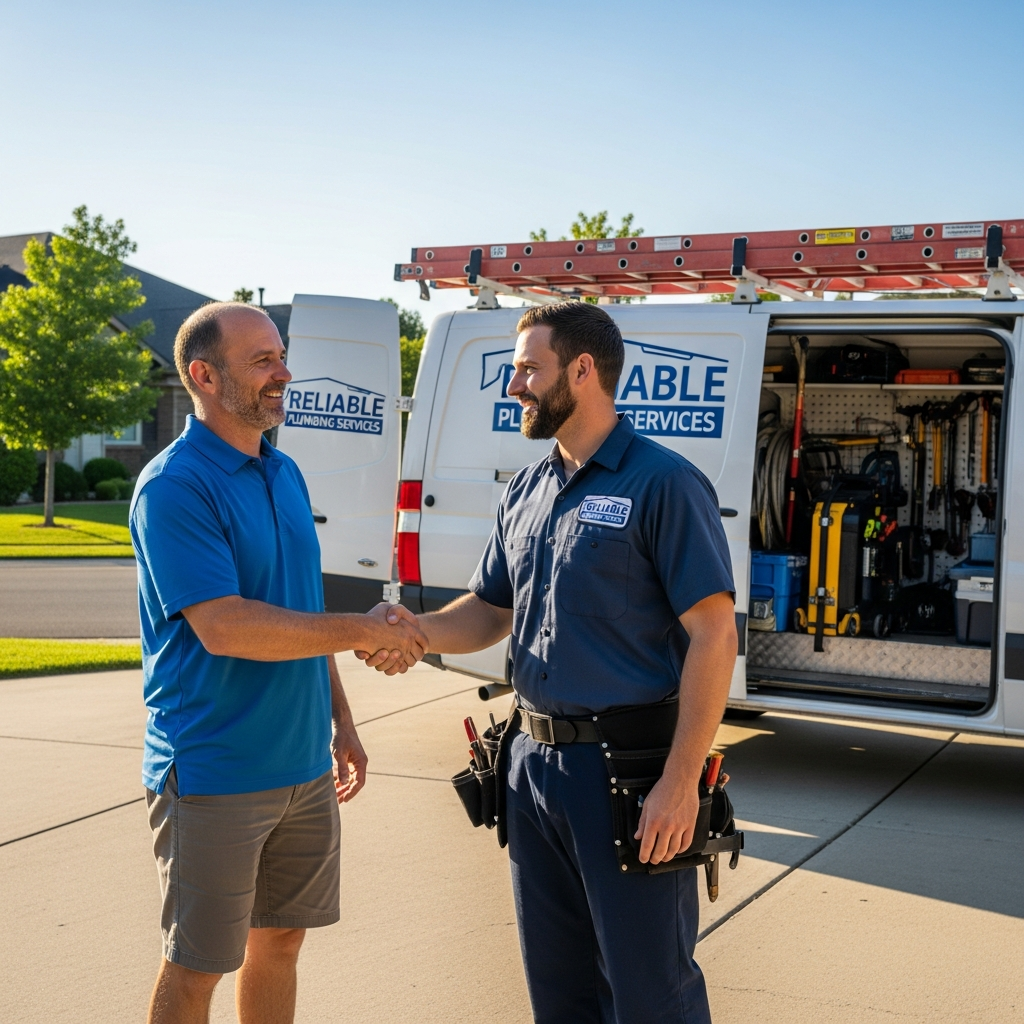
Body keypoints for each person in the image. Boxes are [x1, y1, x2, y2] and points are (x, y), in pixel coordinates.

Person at [363, 301, 737, 1023]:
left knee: (650, 992)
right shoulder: (527, 490)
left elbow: (714, 636)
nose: (515, 386)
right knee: (559, 992)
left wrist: (681, 781)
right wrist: (412, 634)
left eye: (528, 369)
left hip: (625, 775)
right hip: (531, 767)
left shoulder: (663, 484)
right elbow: (489, 611)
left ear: (583, 369)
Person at [131, 301, 425, 1024]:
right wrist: (362, 628)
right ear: (204, 376)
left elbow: (296, 608)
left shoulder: (283, 471)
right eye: (262, 360)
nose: (284, 373)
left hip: (301, 766)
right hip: (216, 768)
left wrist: (343, 722)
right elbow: (227, 626)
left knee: (283, 942)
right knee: (198, 965)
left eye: (281, 355)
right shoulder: (175, 486)